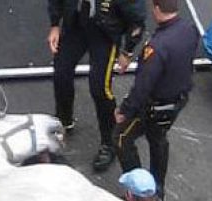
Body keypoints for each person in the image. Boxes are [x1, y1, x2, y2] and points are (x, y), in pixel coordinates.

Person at [113, 0, 199, 199]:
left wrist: (125, 110)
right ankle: (157, 189)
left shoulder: (157, 46)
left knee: (121, 138)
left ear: (157, 9)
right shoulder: (189, 29)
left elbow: (144, 84)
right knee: (158, 140)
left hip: (153, 105)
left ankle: (139, 191)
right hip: (177, 100)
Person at [47, 0, 146, 172]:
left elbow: (137, 20)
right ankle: (63, 120)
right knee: (61, 73)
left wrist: (127, 51)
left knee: (100, 87)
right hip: (77, 24)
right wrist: (55, 24)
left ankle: (109, 142)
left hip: (105, 33)